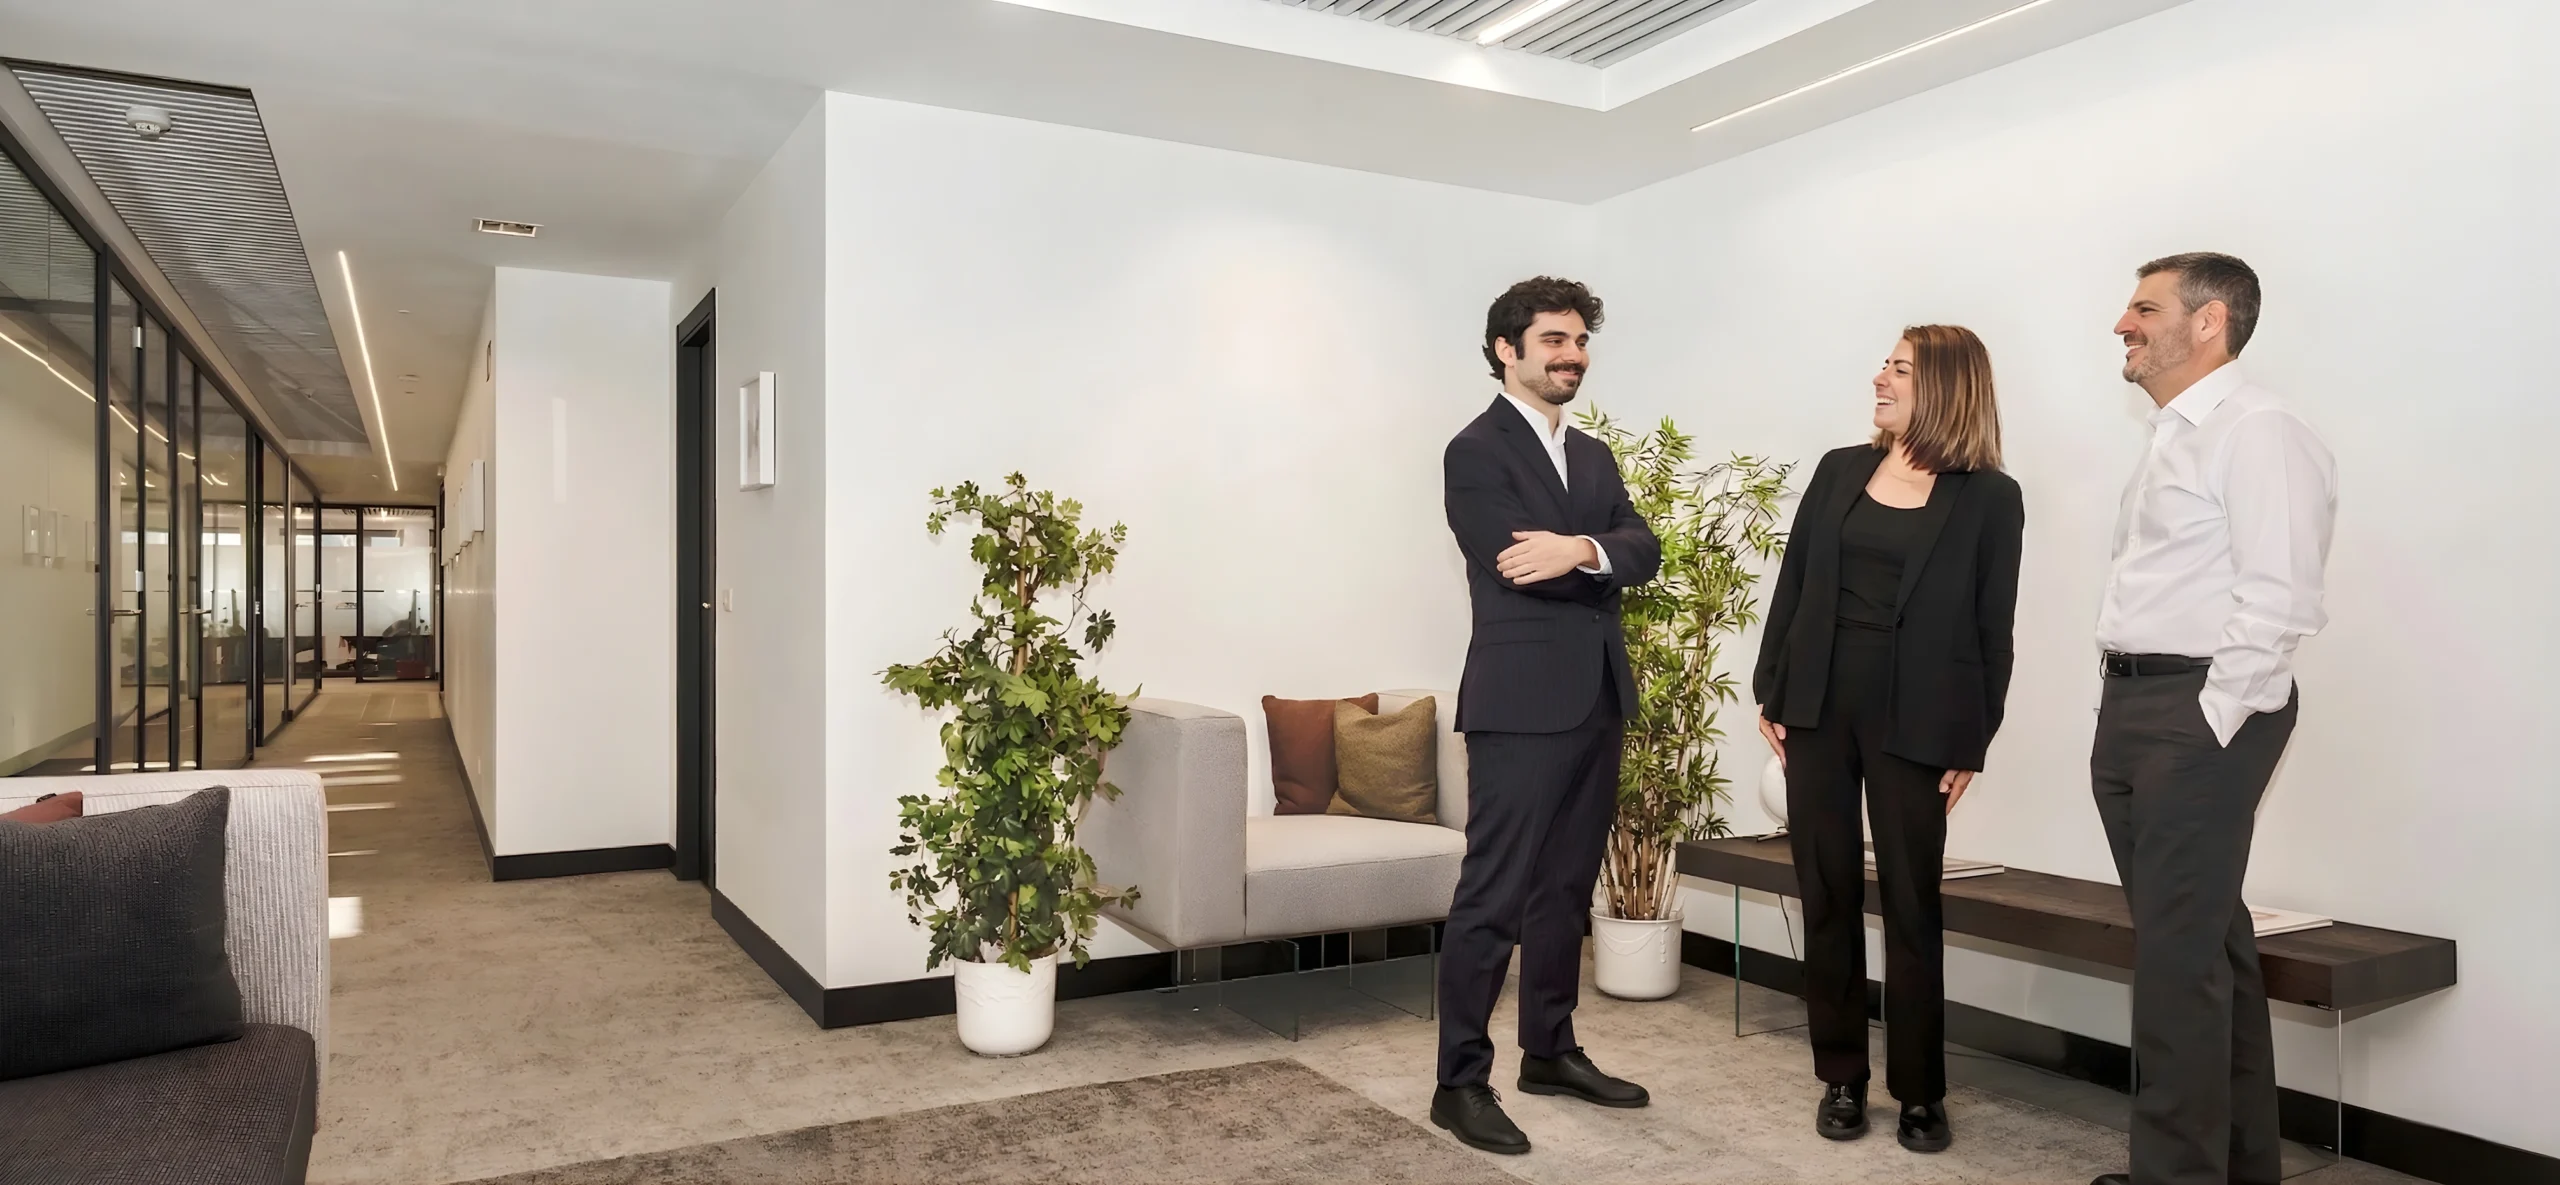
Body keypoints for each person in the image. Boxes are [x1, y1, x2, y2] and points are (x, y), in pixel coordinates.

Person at [2088, 253, 2335, 1185]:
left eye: (2144, 308)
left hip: (2194, 714)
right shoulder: (2171, 435)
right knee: (2204, 950)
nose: (2123, 323)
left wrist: (2211, 717)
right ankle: (2235, 1167)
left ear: (2209, 322)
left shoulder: (2260, 429)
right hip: (2138, 704)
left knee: (2176, 965)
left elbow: (2280, 597)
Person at [1752, 325, 2024, 1154]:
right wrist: (1772, 688)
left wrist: (1973, 739)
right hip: (1817, 706)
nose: (1880, 377)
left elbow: (1993, 626)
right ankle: (1841, 1075)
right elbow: (1795, 582)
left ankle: (1920, 1090)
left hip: (1920, 719)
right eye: (1885, 364)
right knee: (1826, 890)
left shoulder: (1990, 496)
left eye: (1899, 368)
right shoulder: (1840, 468)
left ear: (1942, 385)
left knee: (1912, 902)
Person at [1430, 276, 1662, 1156]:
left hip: (1598, 694)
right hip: (1520, 701)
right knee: (1493, 896)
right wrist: (1594, 556)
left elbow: (1645, 548)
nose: (1573, 356)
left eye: (1580, 341)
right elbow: (1514, 563)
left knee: (1565, 888)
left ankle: (1550, 1050)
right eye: (1554, 340)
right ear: (1507, 349)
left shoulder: (1592, 455)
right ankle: (1459, 1080)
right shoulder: (1475, 451)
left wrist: (1581, 547)